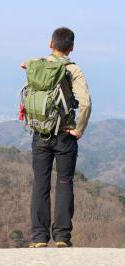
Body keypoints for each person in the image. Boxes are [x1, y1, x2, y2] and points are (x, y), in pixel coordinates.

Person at [20, 27, 92, 248]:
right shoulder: (73, 69)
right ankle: (61, 236)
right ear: (71, 47)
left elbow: (24, 63)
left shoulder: (36, 65)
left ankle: (39, 237)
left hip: (40, 133)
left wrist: (35, 60)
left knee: (40, 184)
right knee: (63, 183)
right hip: (64, 135)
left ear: (50, 43)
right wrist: (79, 129)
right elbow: (86, 102)